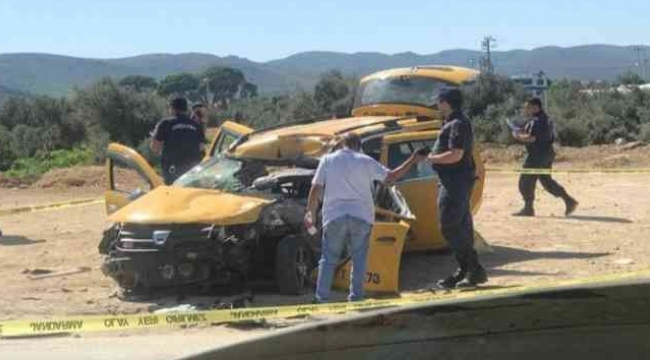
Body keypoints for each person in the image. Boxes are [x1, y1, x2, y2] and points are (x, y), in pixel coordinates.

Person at [305, 133, 426, 303]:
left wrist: (309, 213)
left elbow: (315, 189)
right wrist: (413, 159)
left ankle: (321, 298)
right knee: (359, 260)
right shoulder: (366, 161)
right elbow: (391, 177)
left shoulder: (327, 160)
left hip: (334, 216)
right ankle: (356, 298)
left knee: (328, 259)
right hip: (361, 216)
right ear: (358, 145)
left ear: (342, 144)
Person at [427, 88, 487, 289]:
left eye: (438, 101)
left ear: (445, 103)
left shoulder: (457, 124)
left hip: (455, 182)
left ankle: (472, 269)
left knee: (449, 225)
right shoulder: (454, 122)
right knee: (460, 227)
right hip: (454, 181)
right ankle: (469, 271)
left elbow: (456, 155)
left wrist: (431, 158)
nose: (436, 105)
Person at [512, 98, 578, 217]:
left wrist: (518, 137)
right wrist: (519, 130)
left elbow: (532, 138)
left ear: (535, 107)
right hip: (546, 153)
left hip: (537, 155)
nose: (525, 110)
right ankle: (569, 200)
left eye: (528, 107)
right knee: (546, 181)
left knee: (525, 180)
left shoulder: (537, 120)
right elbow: (534, 133)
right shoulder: (544, 119)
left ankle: (528, 208)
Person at [150, 97, 207, 185]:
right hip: (193, 171)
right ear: (186, 109)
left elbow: (154, 147)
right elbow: (202, 147)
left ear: (172, 109)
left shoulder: (165, 123)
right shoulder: (196, 125)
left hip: (172, 170)